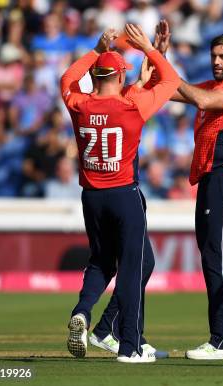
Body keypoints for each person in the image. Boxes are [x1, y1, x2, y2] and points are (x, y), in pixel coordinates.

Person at [145, 21, 223, 360]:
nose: (216, 61)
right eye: (213, 56)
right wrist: (162, 56)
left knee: (216, 255)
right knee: (216, 255)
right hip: (212, 180)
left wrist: (157, 58)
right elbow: (166, 90)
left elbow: (198, 98)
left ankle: (222, 340)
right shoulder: (213, 85)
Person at [61, 24, 180, 363]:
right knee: (131, 267)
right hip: (124, 195)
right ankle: (129, 346)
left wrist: (97, 49)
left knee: (100, 261)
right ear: (120, 76)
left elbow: (68, 79)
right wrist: (150, 49)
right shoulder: (133, 106)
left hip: (91, 196)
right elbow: (170, 82)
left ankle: (83, 312)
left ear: (96, 76)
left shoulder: (79, 104)